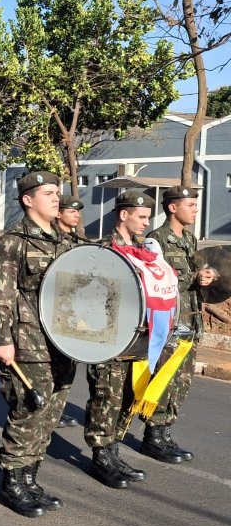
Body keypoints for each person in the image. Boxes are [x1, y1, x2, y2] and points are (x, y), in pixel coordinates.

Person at [0, 172, 73, 517]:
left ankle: (31, 478)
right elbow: (0, 294)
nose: (56, 198)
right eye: (48, 193)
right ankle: (13, 483)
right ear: (27, 199)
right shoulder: (13, 241)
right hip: (28, 342)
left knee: (51, 413)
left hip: (63, 342)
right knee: (28, 411)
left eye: (57, 193)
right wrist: (4, 340)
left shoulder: (65, 240)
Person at [83, 190, 153, 490]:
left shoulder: (145, 252)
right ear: (124, 215)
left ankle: (113, 451)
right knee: (105, 396)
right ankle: (101, 457)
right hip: (107, 339)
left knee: (125, 396)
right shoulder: (103, 250)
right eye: (142, 217)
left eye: (148, 218)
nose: (146, 223)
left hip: (135, 337)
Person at [142, 186, 218, 463]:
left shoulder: (188, 238)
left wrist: (208, 274)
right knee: (164, 377)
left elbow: (198, 271)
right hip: (169, 322)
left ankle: (165, 432)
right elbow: (154, 280)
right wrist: (193, 278)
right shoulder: (156, 239)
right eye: (190, 205)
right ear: (173, 207)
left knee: (181, 381)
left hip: (190, 318)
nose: (196, 210)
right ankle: (153, 436)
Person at [53, 197, 86, 429]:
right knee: (53, 366)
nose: (76, 215)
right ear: (59, 214)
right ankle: (50, 410)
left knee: (68, 366)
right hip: (55, 311)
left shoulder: (77, 240)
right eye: (71, 211)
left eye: (78, 212)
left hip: (73, 313)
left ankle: (58, 409)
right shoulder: (53, 239)